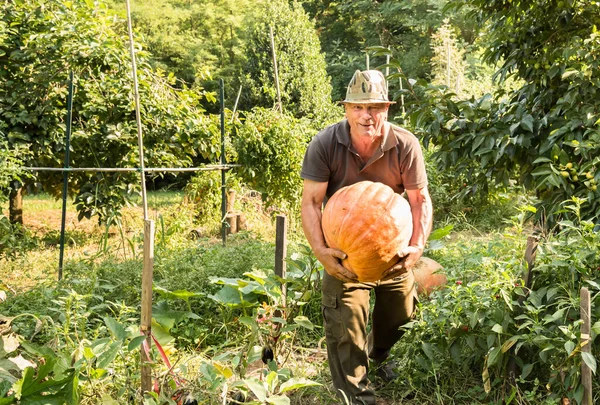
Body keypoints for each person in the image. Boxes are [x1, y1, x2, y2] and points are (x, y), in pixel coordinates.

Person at [300, 70, 433, 404]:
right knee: (345, 320)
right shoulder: (325, 144)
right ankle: (357, 394)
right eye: (358, 107)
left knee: (401, 312)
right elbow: (312, 202)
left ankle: (379, 353)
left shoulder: (404, 144)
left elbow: (419, 200)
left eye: (374, 107)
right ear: (345, 109)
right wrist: (321, 251)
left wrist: (417, 246)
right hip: (345, 250)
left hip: (392, 250)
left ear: (386, 109)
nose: (366, 115)